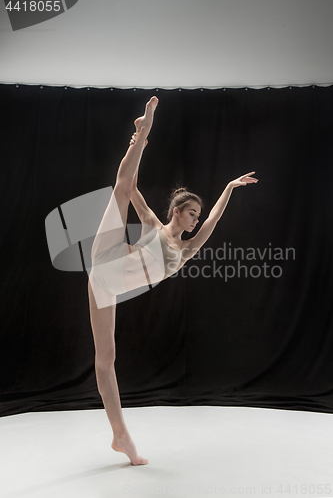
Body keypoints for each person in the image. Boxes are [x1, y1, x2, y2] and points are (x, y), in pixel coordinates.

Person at [87, 96, 258, 465]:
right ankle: (144, 127)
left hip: (104, 286)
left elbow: (214, 218)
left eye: (197, 214)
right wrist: (138, 144)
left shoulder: (187, 250)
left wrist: (229, 186)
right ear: (177, 212)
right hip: (107, 257)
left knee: (106, 360)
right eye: (191, 213)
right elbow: (130, 186)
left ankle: (121, 438)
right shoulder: (152, 224)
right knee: (120, 187)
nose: (196, 219)